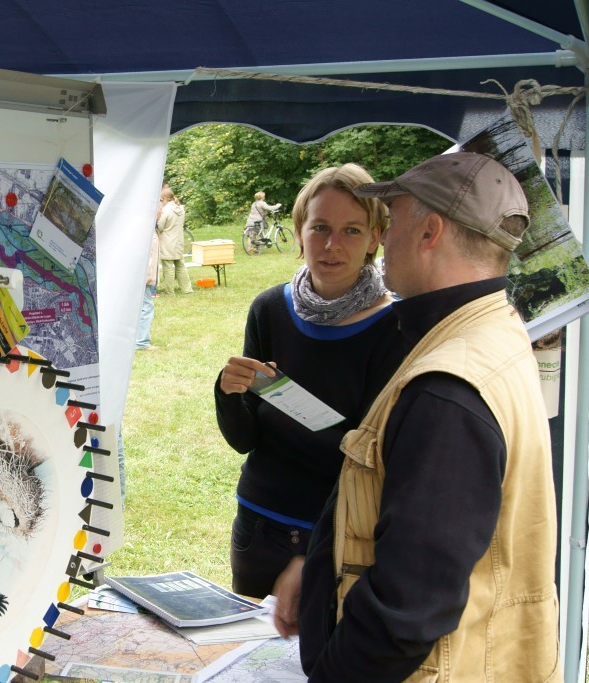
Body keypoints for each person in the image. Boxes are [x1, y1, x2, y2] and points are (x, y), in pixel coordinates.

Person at [274, 152, 560, 682]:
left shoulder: (448, 388)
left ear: (429, 230)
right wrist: (317, 570)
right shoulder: (492, 330)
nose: (384, 236)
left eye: (394, 215)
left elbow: (405, 611)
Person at [215, 164, 403, 598]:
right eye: (320, 227)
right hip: (258, 528)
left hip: (340, 536)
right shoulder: (269, 310)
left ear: (376, 237)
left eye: (352, 230)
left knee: (322, 664)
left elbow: (373, 459)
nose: (332, 245)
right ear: (299, 232)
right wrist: (227, 393)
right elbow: (245, 440)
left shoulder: (394, 328)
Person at [156, 186, 191, 295]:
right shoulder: (181, 209)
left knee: (168, 267)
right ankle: (187, 289)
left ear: (165, 198)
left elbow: (160, 227)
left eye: (161, 200)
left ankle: (170, 291)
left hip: (167, 242)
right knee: (181, 265)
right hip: (179, 241)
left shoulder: (165, 210)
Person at [135, 226, 160, 350]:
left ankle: (137, 339)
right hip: (144, 277)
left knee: (141, 306)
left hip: (146, 276)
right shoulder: (146, 229)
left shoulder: (152, 227)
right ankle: (141, 342)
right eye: (160, 208)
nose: (161, 211)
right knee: (146, 306)